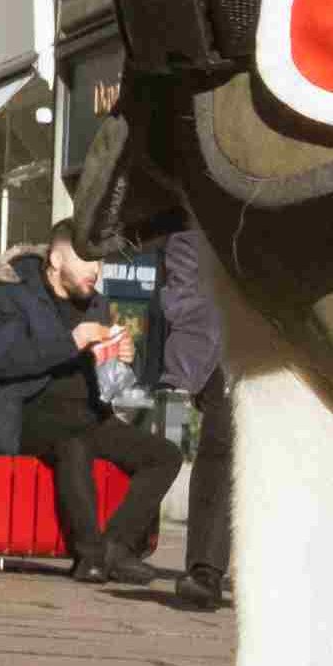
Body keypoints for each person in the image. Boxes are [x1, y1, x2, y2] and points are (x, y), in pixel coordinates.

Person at [0, 235, 183, 591]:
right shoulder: (8, 296)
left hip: (87, 414)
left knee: (164, 455)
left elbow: (103, 375)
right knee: (73, 444)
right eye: (87, 261)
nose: (96, 271)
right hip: (24, 413)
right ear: (56, 260)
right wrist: (73, 341)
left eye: (99, 263)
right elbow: (6, 361)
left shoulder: (97, 303)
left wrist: (120, 356)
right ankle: (90, 555)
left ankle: (118, 545)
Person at [146, 209, 235, 610]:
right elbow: (188, 287)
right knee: (223, 441)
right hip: (233, 345)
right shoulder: (199, 215)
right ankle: (205, 568)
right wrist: (191, 360)